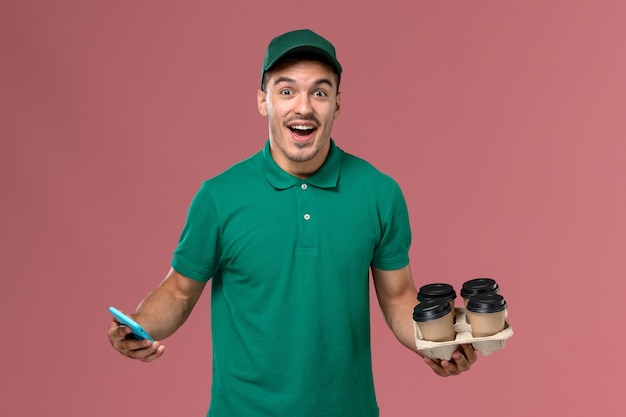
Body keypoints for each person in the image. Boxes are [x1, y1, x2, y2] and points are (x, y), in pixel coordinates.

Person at [108, 28, 477, 416]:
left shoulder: (379, 193)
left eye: (319, 92)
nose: (303, 107)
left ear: (336, 104)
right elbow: (179, 291)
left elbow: (399, 296)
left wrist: (435, 343)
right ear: (262, 101)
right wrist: (138, 324)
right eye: (286, 91)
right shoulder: (219, 197)